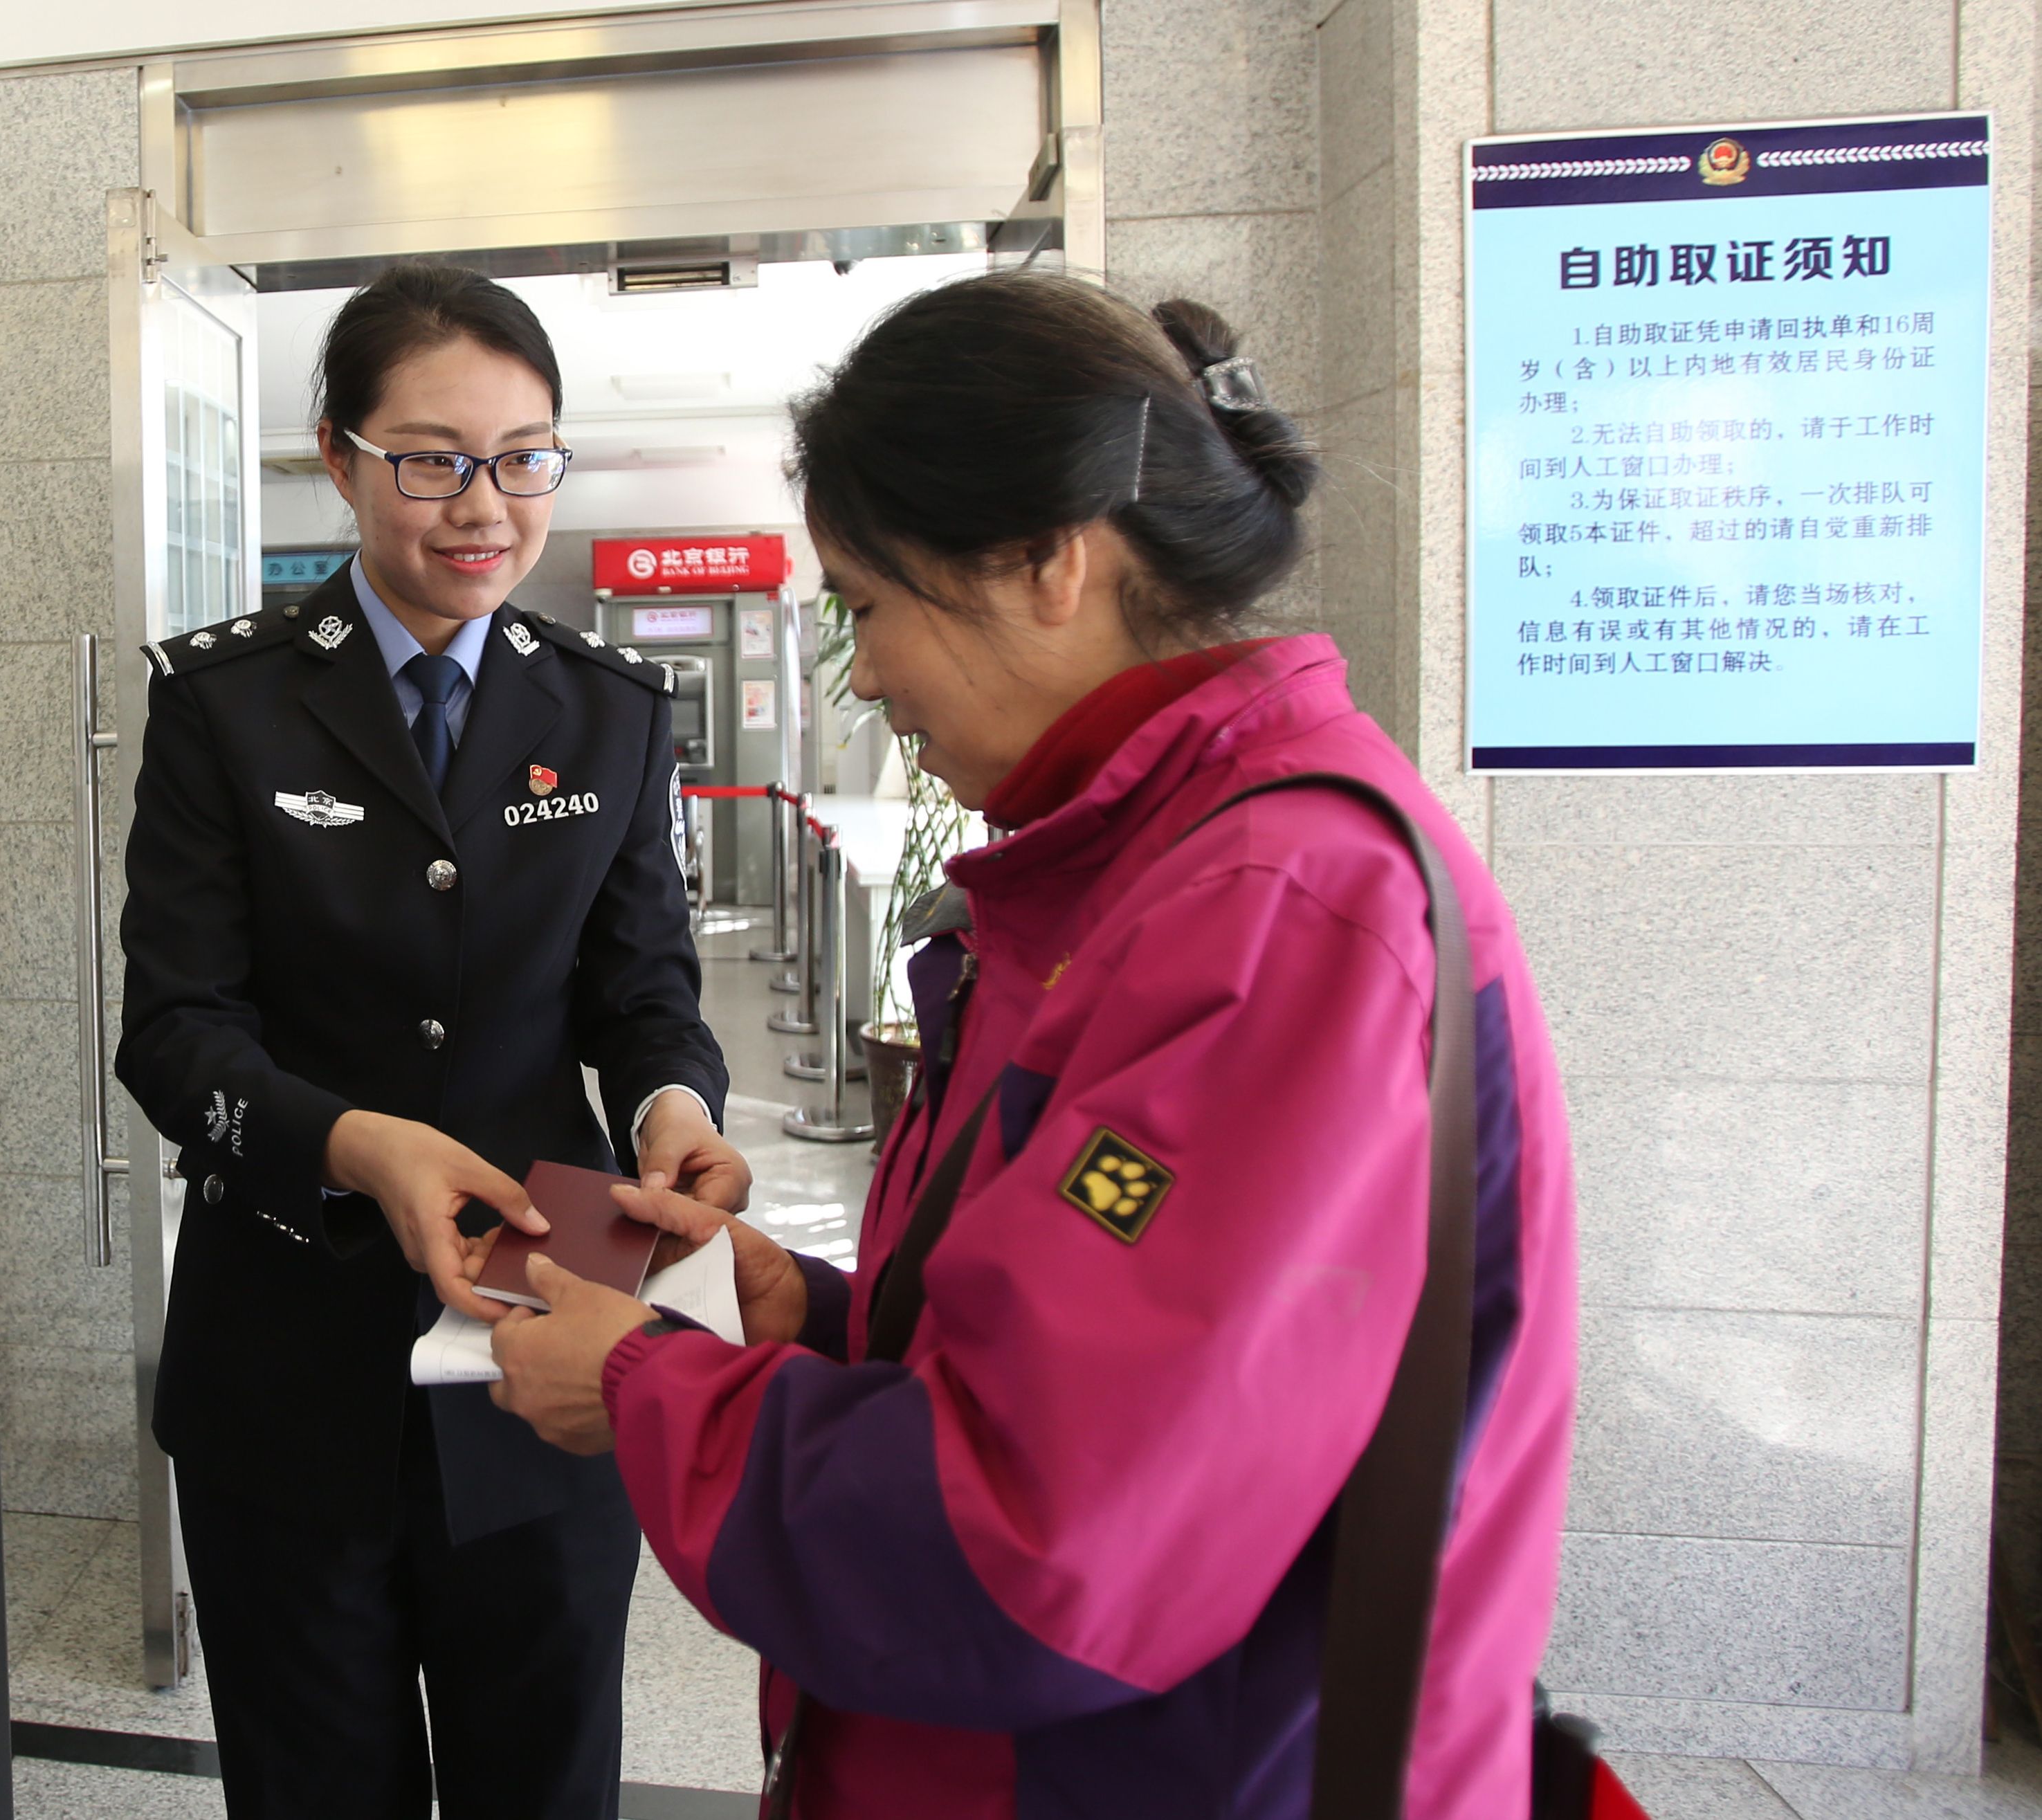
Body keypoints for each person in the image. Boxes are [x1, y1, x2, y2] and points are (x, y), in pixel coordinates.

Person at [487, 271, 1580, 1819]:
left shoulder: (1273, 918)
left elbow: (1038, 1540)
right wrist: (805, 1313)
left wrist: (647, 1386)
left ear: (1045, 562)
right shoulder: (1128, 870)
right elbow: (1080, 1354)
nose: (860, 673)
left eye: (869, 604)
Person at [115, 261, 744, 1820]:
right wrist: (353, 1143)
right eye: (431, 458)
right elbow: (175, 1032)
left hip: (548, 1326)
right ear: (336, 455)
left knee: (543, 1773)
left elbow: (643, 991)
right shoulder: (228, 707)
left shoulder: (608, 712)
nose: (485, 505)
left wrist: (672, 1102)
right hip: (284, 1354)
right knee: (315, 1781)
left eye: (524, 456)